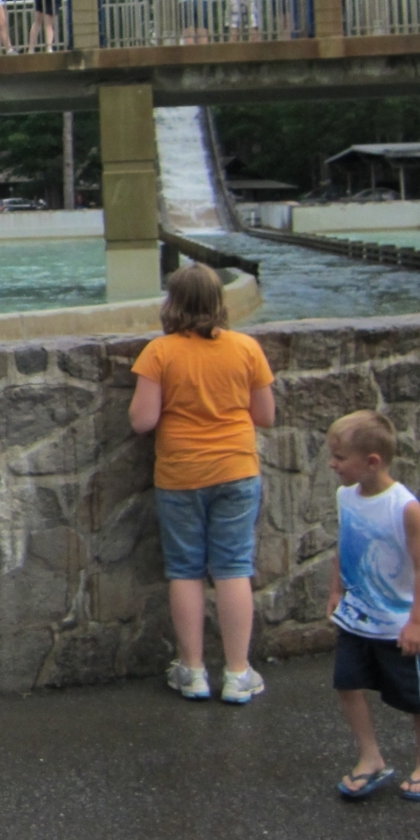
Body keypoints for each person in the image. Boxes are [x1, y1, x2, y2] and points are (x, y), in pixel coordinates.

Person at [129, 263, 275, 704]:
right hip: (235, 469)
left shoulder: (159, 353)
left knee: (185, 569)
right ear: (219, 302)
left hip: (180, 475)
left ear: (172, 303)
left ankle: (192, 670)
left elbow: (142, 421)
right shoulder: (246, 348)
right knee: (233, 568)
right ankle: (236, 672)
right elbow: (265, 415)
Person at [324, 410, 420, 802]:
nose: (333, 464)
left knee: (419, 697)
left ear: (371, 461)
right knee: (347, 683)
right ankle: (370, 756)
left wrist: (415, 621)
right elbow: (344, 545)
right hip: (359, 618)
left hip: (400, 624)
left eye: (340, 457)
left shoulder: (403, 506)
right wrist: (336, 591)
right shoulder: (346, 496)